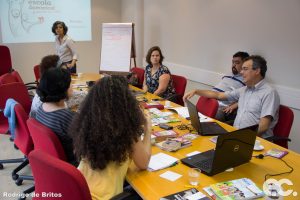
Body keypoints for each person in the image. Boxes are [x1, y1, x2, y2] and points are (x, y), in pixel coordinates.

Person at [70, 75, 152, 199]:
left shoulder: (87, 122)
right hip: (105, 196)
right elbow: (143, 163)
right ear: (126, 102)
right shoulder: (126, 129)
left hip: (78, 190)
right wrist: (148, 130)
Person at [183, 55, 280, 138]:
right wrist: (196, 91)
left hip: (256, 141)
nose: (241, 72)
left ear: (257, 71)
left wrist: (239, 138)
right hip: (236, 135)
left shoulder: (269, 93)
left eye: (245, 69)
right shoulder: (244, 90)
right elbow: (218, 95)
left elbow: (263, 126)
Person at [35, 67, 77, 166]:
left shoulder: (41, 108)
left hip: (51, 159)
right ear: (63, 90)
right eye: (70, 85)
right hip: (72, 163)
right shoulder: (67, 117)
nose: (72, 87)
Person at [213, 51, 249, 121]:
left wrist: (235, 105)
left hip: (221, 106)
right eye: (233, 62)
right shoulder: (228, 74)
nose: (233, 65)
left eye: (237, 63)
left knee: (215, 115)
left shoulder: (246, 79)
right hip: (210, 99)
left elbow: (247, 97)